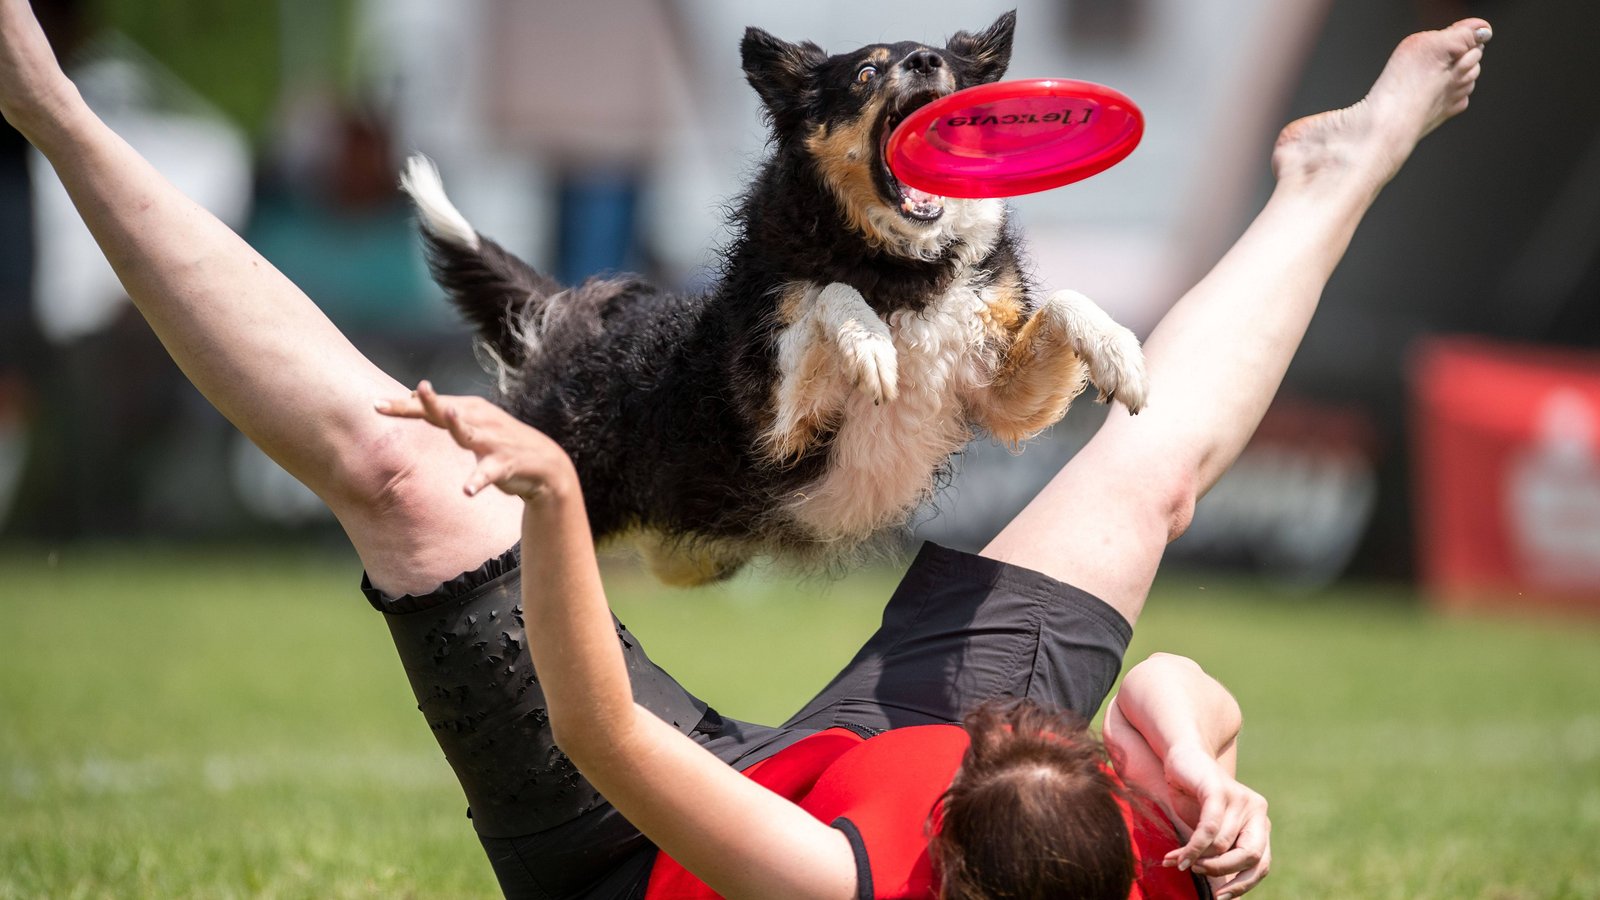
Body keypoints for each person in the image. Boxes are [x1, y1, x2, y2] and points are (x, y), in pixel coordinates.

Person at [0, 0, 1491, 895]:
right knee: (1144, 476)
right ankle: (1328, 176)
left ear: (951, 855)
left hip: (647, 857)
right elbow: (1175, 685)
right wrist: (1197, 767)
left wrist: (558, 500)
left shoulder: (836, 879)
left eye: (1055, 756)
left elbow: (607, 735)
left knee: (402, 483)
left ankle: (45, 106)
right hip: (941, 805)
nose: (1063, 732)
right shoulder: (1122, 866)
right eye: (1087, 766)